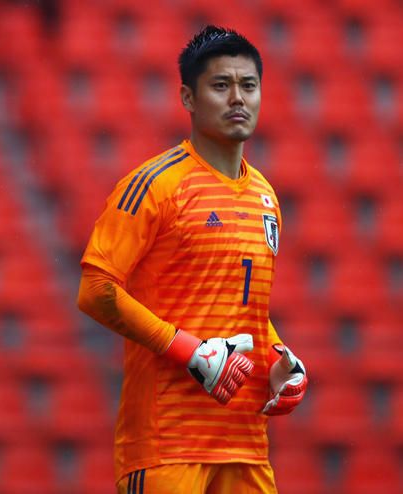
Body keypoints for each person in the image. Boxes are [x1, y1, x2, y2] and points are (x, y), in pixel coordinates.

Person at [77, 25, 308, 493]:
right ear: (188, 97)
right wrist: (188, 349)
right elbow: (95, 291)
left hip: (245, 444)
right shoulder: (156, 185)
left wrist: (281, 361)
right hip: (168, 446)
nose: (238, 98)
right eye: (221, 86)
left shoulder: (265, 195)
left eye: (249, 85)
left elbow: (248, 311)